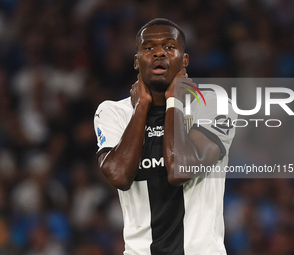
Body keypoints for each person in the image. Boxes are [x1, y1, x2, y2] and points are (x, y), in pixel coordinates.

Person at [94, 18, 236, 255]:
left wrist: (174, 102)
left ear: (185, 59)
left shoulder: (214, 105)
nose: (159, 52)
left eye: (169, 47)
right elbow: (118, 175)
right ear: (137, 62)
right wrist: (142, 107)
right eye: (149, 48)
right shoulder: (113, 112)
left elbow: (179, 169)